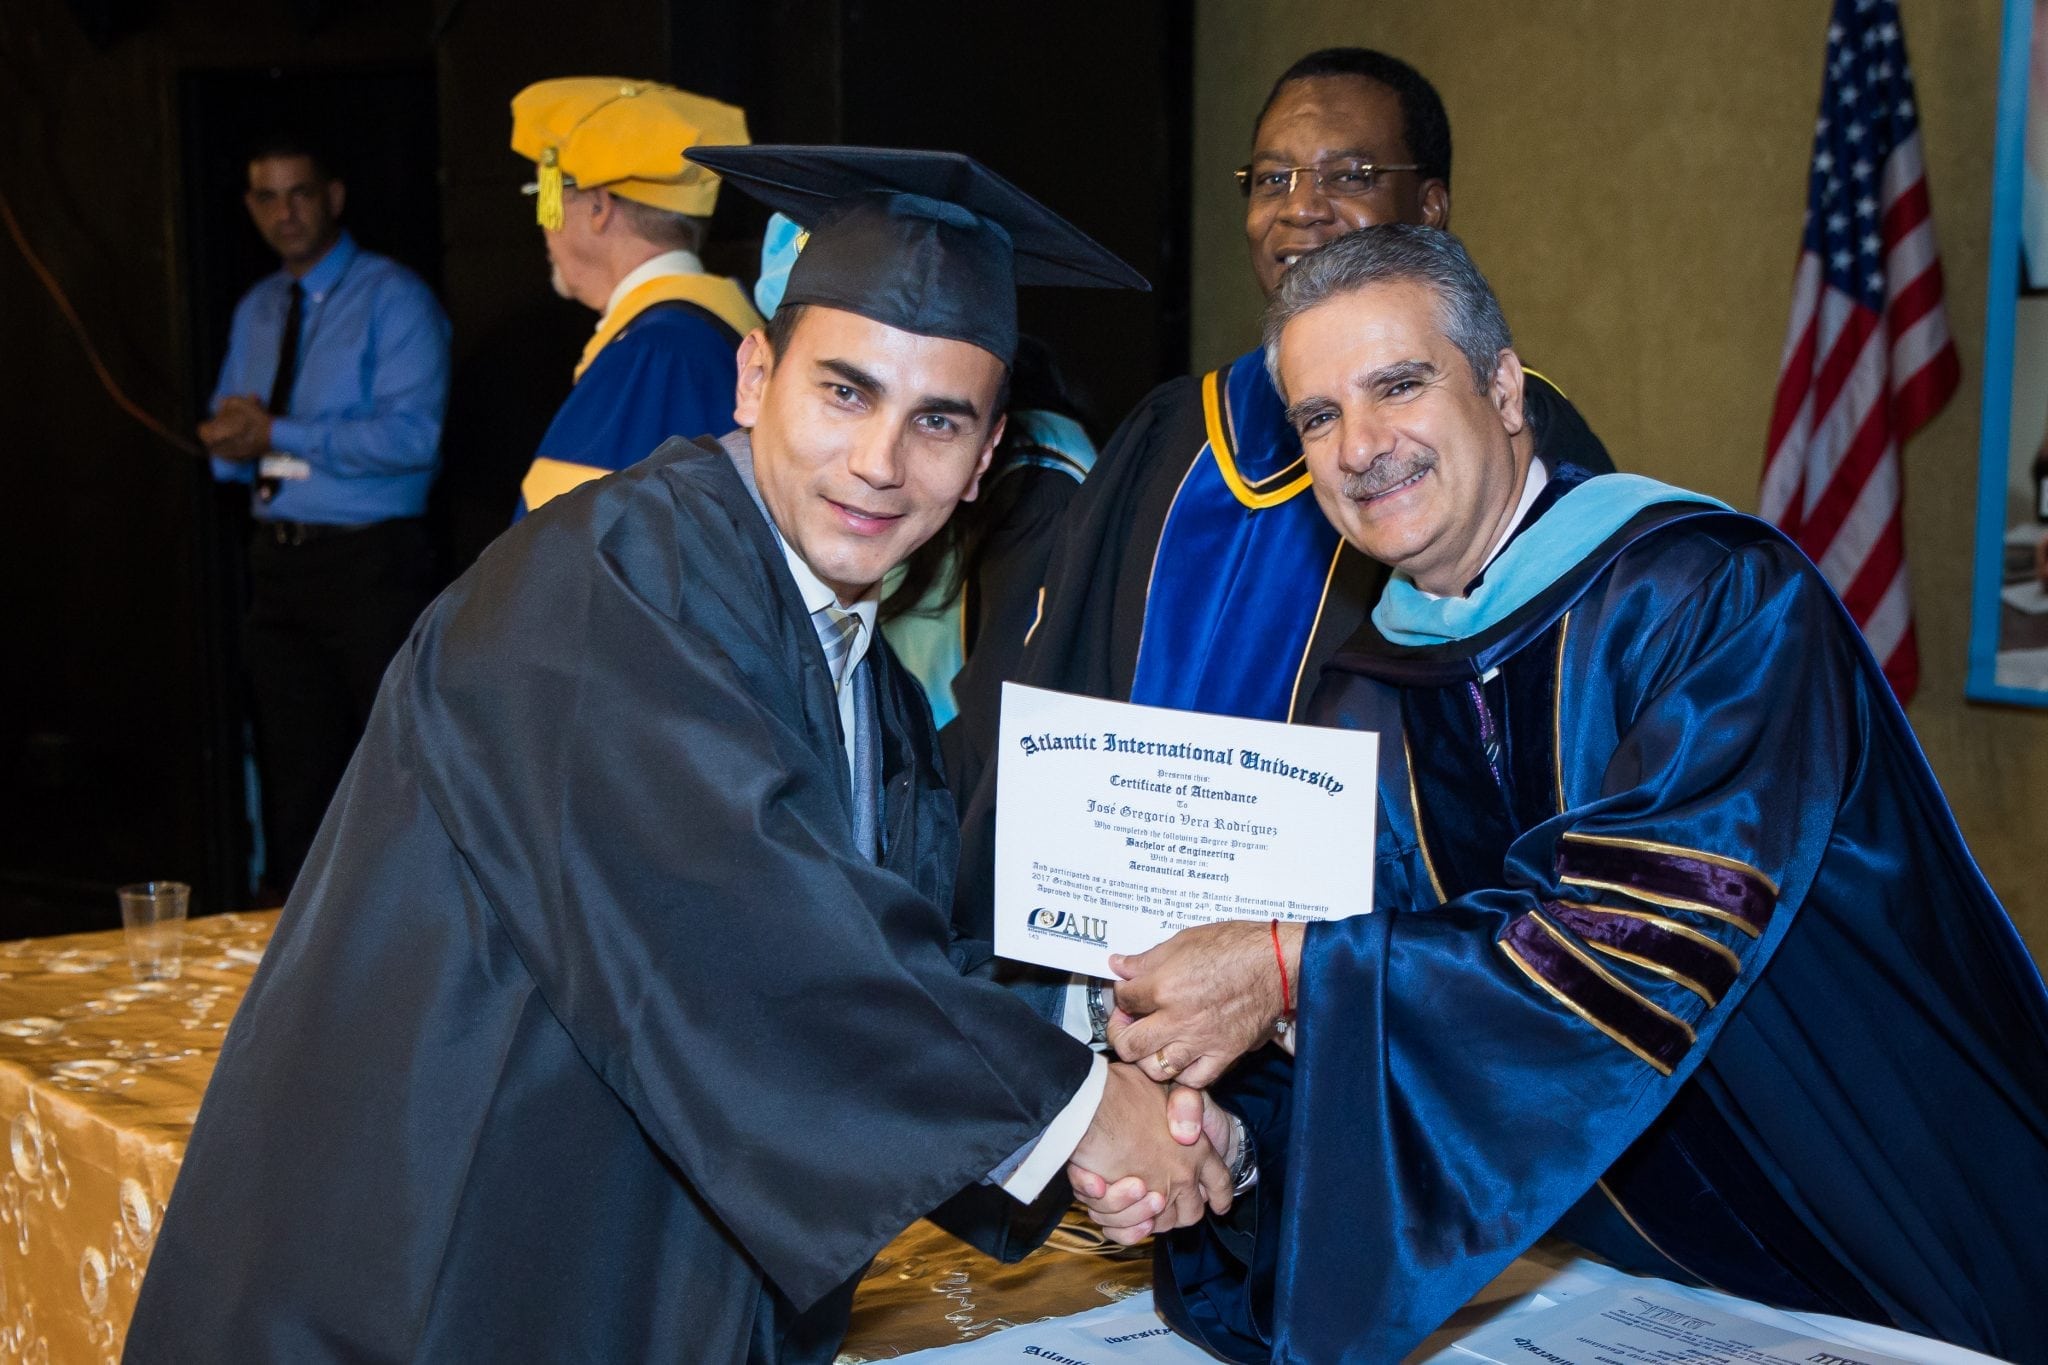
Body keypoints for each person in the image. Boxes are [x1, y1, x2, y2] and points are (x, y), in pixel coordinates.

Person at [129, 146, 1231, 1365]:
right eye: (844, 392)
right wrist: (1077, 1114)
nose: (879, 462)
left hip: (610, 1244)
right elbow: (750, 928)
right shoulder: (608, 577)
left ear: (984, 459)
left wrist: (1134, 1082)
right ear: (753, 377)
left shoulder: (859, 672)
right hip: (435, 1260)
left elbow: (893, 944)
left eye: (937, 421)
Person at [1074, 225, 2048, 1362]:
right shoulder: (1363, 697)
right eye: (1318, 417)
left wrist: (1288, 966)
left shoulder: (1714, 599)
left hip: (1891, 1213)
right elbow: (1382, 1037)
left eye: (1399, 385)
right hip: (1649, 1281)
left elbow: (1643, 938)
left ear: (1502, 389)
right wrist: (1230, 1152)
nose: (1361, 446)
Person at [950, 47, 1612, 976]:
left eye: (1350, 174)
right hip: (1119, 975)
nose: (1301, 206)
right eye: (1272, 177)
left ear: (1429, 207)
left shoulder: (1502, 442)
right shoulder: (1170, 432)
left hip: (1362, 983)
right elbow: (1052, 670)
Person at [200, 130, 450, 899]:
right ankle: (295, 948)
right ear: (250, 208)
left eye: (300, 193)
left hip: (370, 564)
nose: (285, 213)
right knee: (293, 776)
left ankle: (405, 943)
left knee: (393, 770)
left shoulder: (393, 297)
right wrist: (230, 440)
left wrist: (278, 433)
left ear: (333, 197)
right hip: (278, 561)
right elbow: (230, 446)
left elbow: (414, 440)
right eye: (267, 198)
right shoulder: (257, 308)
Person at [510, 77, 764, 518]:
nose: (544, 228)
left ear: (598, 207)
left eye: (544, 196)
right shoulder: (719, 326)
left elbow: (556, 549)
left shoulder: (657, 355)